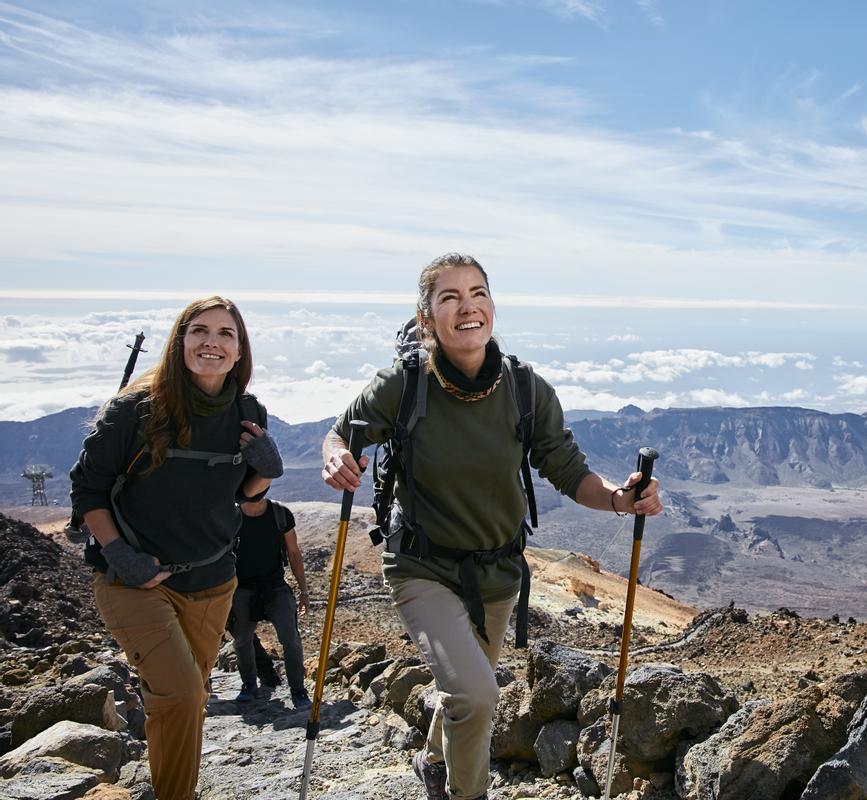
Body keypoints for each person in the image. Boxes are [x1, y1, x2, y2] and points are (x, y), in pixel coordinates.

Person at [322, 253, 662, 800]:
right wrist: (337, 457)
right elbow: (340, 435)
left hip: (499, 574)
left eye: (477, 293)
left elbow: (570, 473)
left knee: (466, 691)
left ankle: (435, 762)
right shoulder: (402, 386)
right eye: (449, 297)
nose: (467, 307)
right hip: (420, 566)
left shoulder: (525, 390)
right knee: (478, 695)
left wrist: (624, 500)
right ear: (427, 317)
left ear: (493, 306)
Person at [70, 296, 283, 800]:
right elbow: (87, 490)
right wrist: (119, 552)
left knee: (184, 700)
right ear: (180, 341)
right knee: (182, 693)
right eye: (200, 331)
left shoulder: (248, 412)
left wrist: (263, 475)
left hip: (212, 581)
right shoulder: (134, 411)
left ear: (239, 350)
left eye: (226, 334)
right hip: (134, 579)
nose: (212, 342)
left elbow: (242, 498)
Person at [229, 497, 311, 708]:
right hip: (241, 588)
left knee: (290, 637)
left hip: (274, 587)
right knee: (242, 639)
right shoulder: (230, 517)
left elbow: (293, 553)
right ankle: (249, 685)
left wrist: (304, 591)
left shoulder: (280, 515)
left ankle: (298, 690)